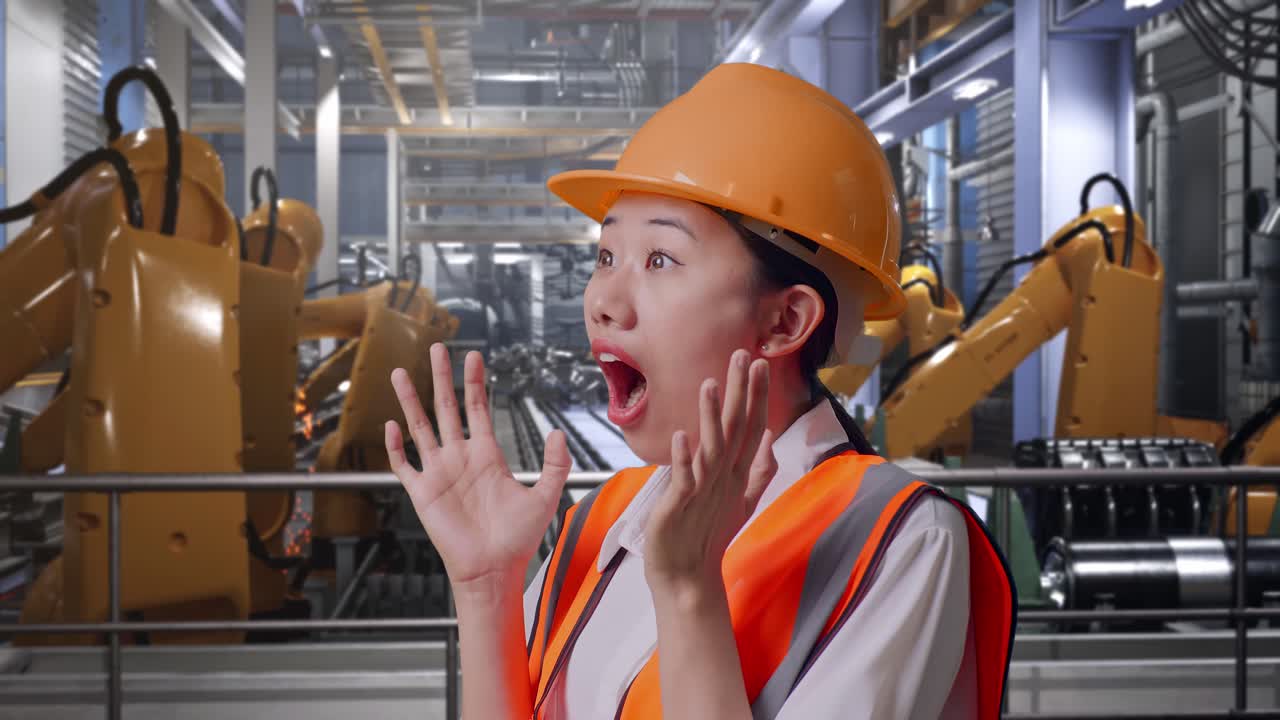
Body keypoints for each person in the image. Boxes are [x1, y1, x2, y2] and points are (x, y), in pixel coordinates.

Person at [385, 63, 1015, 720]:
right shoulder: (603, 521)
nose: (602, 301)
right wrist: (487, 588)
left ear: (785, 321)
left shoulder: (898, 540)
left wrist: (690, 593)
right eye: (606, 256)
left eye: (660, 259)